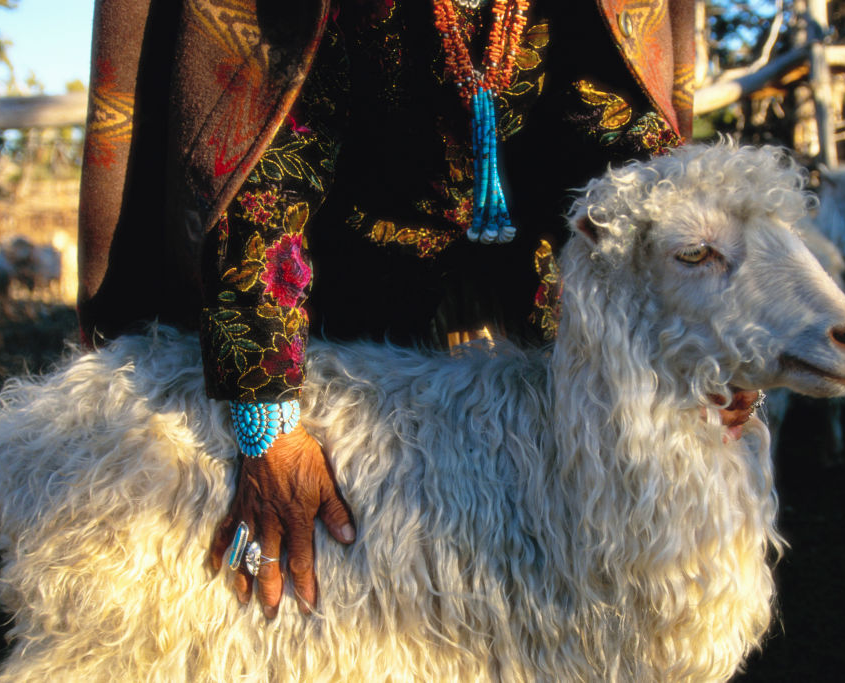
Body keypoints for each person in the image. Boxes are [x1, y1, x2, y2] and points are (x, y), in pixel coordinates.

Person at [78, 0, 695, 619]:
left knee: (550, 568)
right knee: (351, 570)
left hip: (538, 290)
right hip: (343, 305)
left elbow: (624, 143)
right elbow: (269, 162)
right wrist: (267, 427)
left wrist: (698, 314)